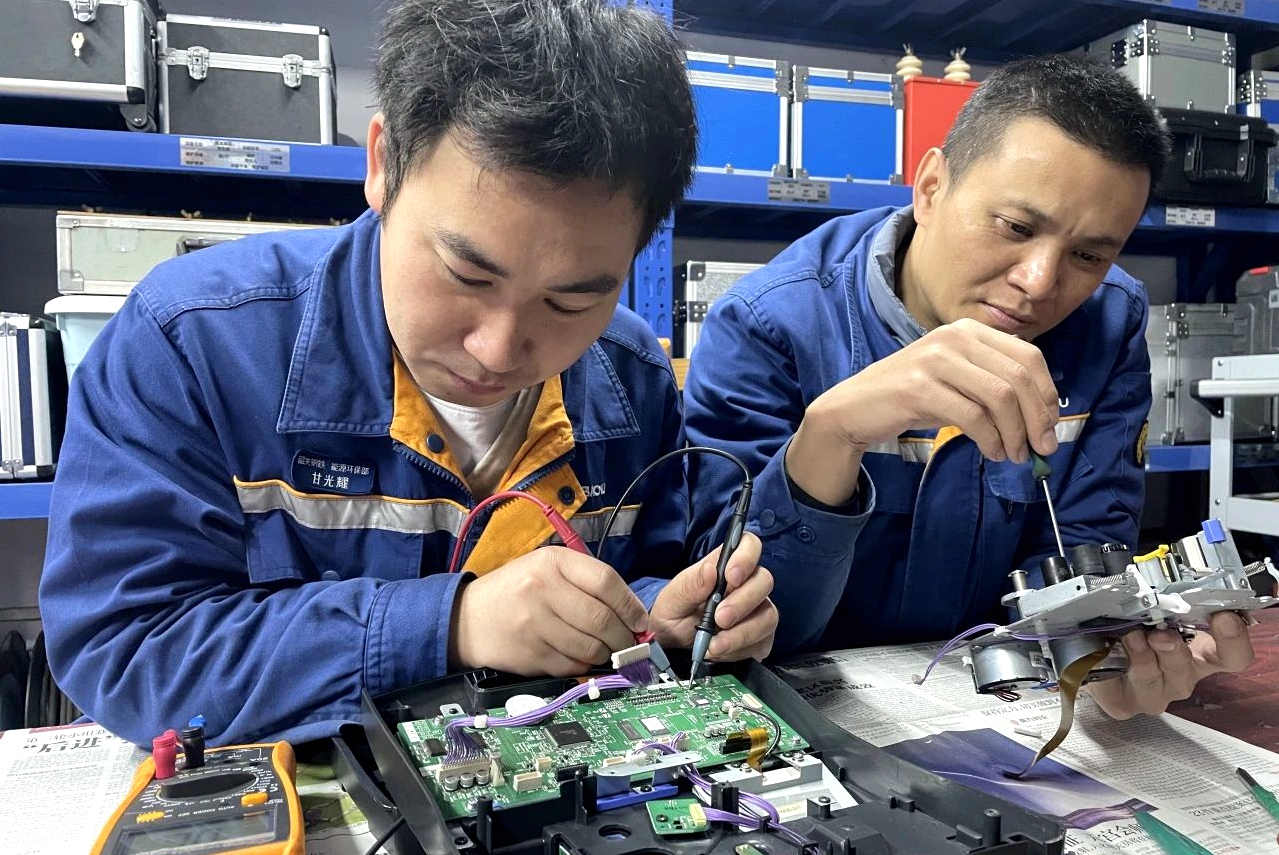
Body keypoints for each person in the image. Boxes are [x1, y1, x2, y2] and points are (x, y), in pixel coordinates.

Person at [40, 0, 777, 748]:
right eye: (467, 275)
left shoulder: (630, 374)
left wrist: (662, 615)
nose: (497, 350)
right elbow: (127, 651)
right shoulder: (193, 342)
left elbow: (652, 571)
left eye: (569, 301)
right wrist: (451, 623)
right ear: (383, 164)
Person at [685, 54, 1255, 720]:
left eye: (1088, 255)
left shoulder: (1109, 321)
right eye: (1016, 227)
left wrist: (1105, 663)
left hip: (1003, 707)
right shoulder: (767, 324)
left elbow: (1081, 557)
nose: (1039, 283)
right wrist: (831, 436)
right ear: (930, 188)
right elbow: (734, 625)